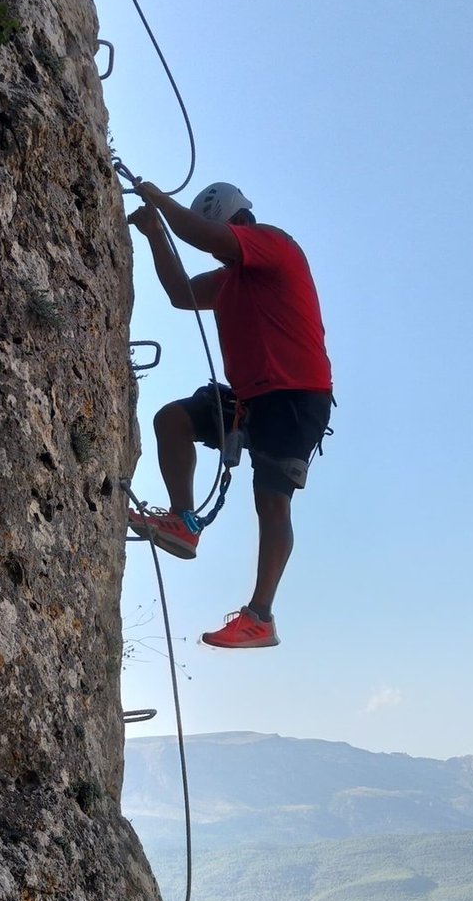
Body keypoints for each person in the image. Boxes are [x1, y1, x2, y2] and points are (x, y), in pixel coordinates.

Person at [126, 178, 333, 652]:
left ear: (237, 223)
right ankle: (183, 522)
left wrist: (157, 199)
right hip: (250, 397)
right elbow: (181, 293)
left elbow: (205, 237)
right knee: (172, 421)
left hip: (295, 395)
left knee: (271, 499)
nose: (218, 254)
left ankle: (260, 616)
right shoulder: (232, 278)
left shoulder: (275, 246)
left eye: (223, 238)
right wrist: (154, 231)